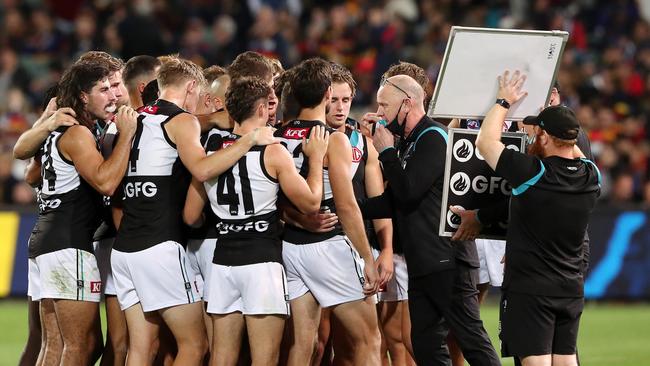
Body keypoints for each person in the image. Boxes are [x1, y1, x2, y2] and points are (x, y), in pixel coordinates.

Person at [110, 56, 277, 365]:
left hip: (124, 250)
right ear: (190, 88)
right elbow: (201, 170)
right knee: (195, 345)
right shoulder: (181, 120)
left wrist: (213, 120)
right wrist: (248, 140)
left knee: (141, 347)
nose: (203, 102)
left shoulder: (134, 119)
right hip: (159, 245)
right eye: (200, 94)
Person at [184, 76, 328, 366]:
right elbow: (312, 203)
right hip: (261, 261)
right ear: (262, 109)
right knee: (265, 359)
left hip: (222, 262)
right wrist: (316, 159)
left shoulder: (212, 154)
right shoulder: (273, 151)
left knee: (222, 358)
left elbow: (190, 216)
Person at [359, 74, 500, 366]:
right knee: (425, 344)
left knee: (470, 338)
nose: (380, 112)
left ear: (407, 103)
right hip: (424, 260)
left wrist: (385, 152)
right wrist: (350, 209)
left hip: (447, 259)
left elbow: (409, 192)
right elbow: (395, 199)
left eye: (385, 105)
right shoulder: (409, 143)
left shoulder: (434, 137)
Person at [476, 70, 600, 366]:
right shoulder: (592, 176)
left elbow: (485, 142)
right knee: (567, 361)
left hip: (531, 289)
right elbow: (575, 152)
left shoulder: (533, 173)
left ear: (545, 136)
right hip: (571, 288)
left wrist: (503, 102)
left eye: (537, 131)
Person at [28, 60, 137, 365]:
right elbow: (105, 181)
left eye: (114, 87)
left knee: (54, 344)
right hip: (69, 244)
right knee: (80, 346)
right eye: (103, 89)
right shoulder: (77, 134)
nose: (113, 96)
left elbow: (29, 174)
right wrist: (126, 136)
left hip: (48, 241)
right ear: (83, 96)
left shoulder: (57, 130)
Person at [274, 58, 381, 366]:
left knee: (302, 346)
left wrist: (294, 218)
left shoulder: (279, 134)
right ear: (326, 94)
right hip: (329, 246)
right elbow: (347, 205)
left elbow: (274, 197)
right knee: (368, 340)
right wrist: (367, 258)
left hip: (290, 247)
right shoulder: (334, 139)